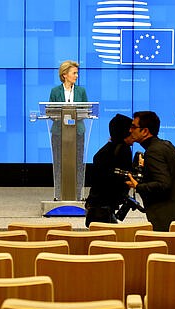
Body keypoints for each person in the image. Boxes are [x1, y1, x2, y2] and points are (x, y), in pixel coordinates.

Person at [126, 111, 175, 231]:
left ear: (145, 131)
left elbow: (163, 184)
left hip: (170, 216)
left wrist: (138, 186)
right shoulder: (165, 145)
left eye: (134, 127)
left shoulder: (153, 151)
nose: (130, 130)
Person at [84, 114, 134, 227]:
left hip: (97, 204)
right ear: (125, 133)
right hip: (103, 207)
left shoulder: (107, 150)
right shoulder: (123, 150)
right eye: (131, 131)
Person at [49, 60, 88, 201]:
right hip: (59, 132)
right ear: (65, 74)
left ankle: (78, 196)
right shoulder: (55, 91)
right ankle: (58, 196)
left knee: (78, 163)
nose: (76, 76)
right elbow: (51, 112)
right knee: (59, 163)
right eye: (74, 73)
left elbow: (86, 111)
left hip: (77, 132)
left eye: (77, 73)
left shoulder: (81, 91)